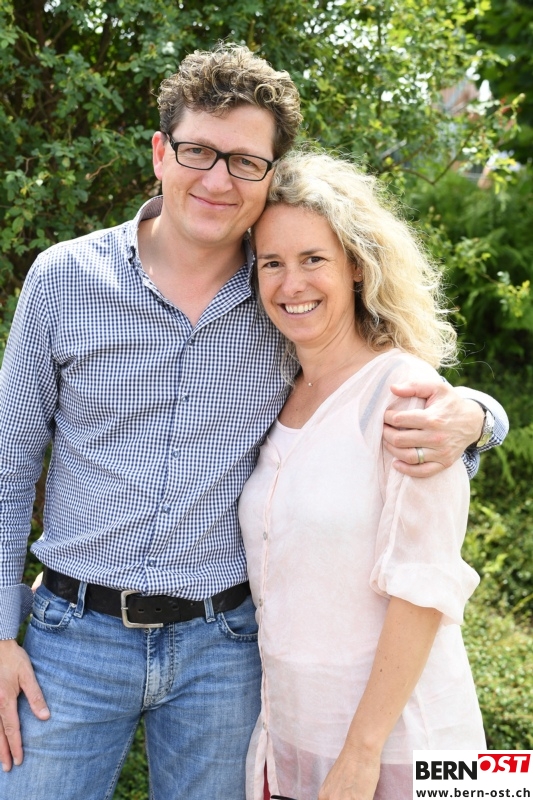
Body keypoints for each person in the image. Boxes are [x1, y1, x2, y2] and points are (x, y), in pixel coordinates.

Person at [0, 44, 506, 800]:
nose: (217, 179)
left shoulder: (285, 296)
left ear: (269, 175)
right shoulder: (66, 279)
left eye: (244, 161)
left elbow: (385, 403)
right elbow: (7, 469)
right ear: (160, 152)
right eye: (198, 151)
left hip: (227, 650)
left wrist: (477, 417)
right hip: (74, 639)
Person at [240, 151, 491, 800]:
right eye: (272, 263)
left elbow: (422, 586)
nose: (291, 283)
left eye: (312, 259)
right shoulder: (273, 394)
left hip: (401, 751)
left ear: (355, 265)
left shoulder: (407, 395)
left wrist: (361, 754)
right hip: (293, 743)